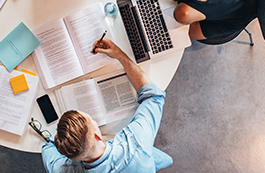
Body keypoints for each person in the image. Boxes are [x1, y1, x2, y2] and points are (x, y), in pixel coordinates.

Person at [41, 38, 172, 172]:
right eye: (91, 120)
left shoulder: (64, 170)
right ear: (98, 135)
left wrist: (53, 143)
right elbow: (153, 96)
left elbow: (48, 153)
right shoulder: (135, 142)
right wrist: (120, 55)